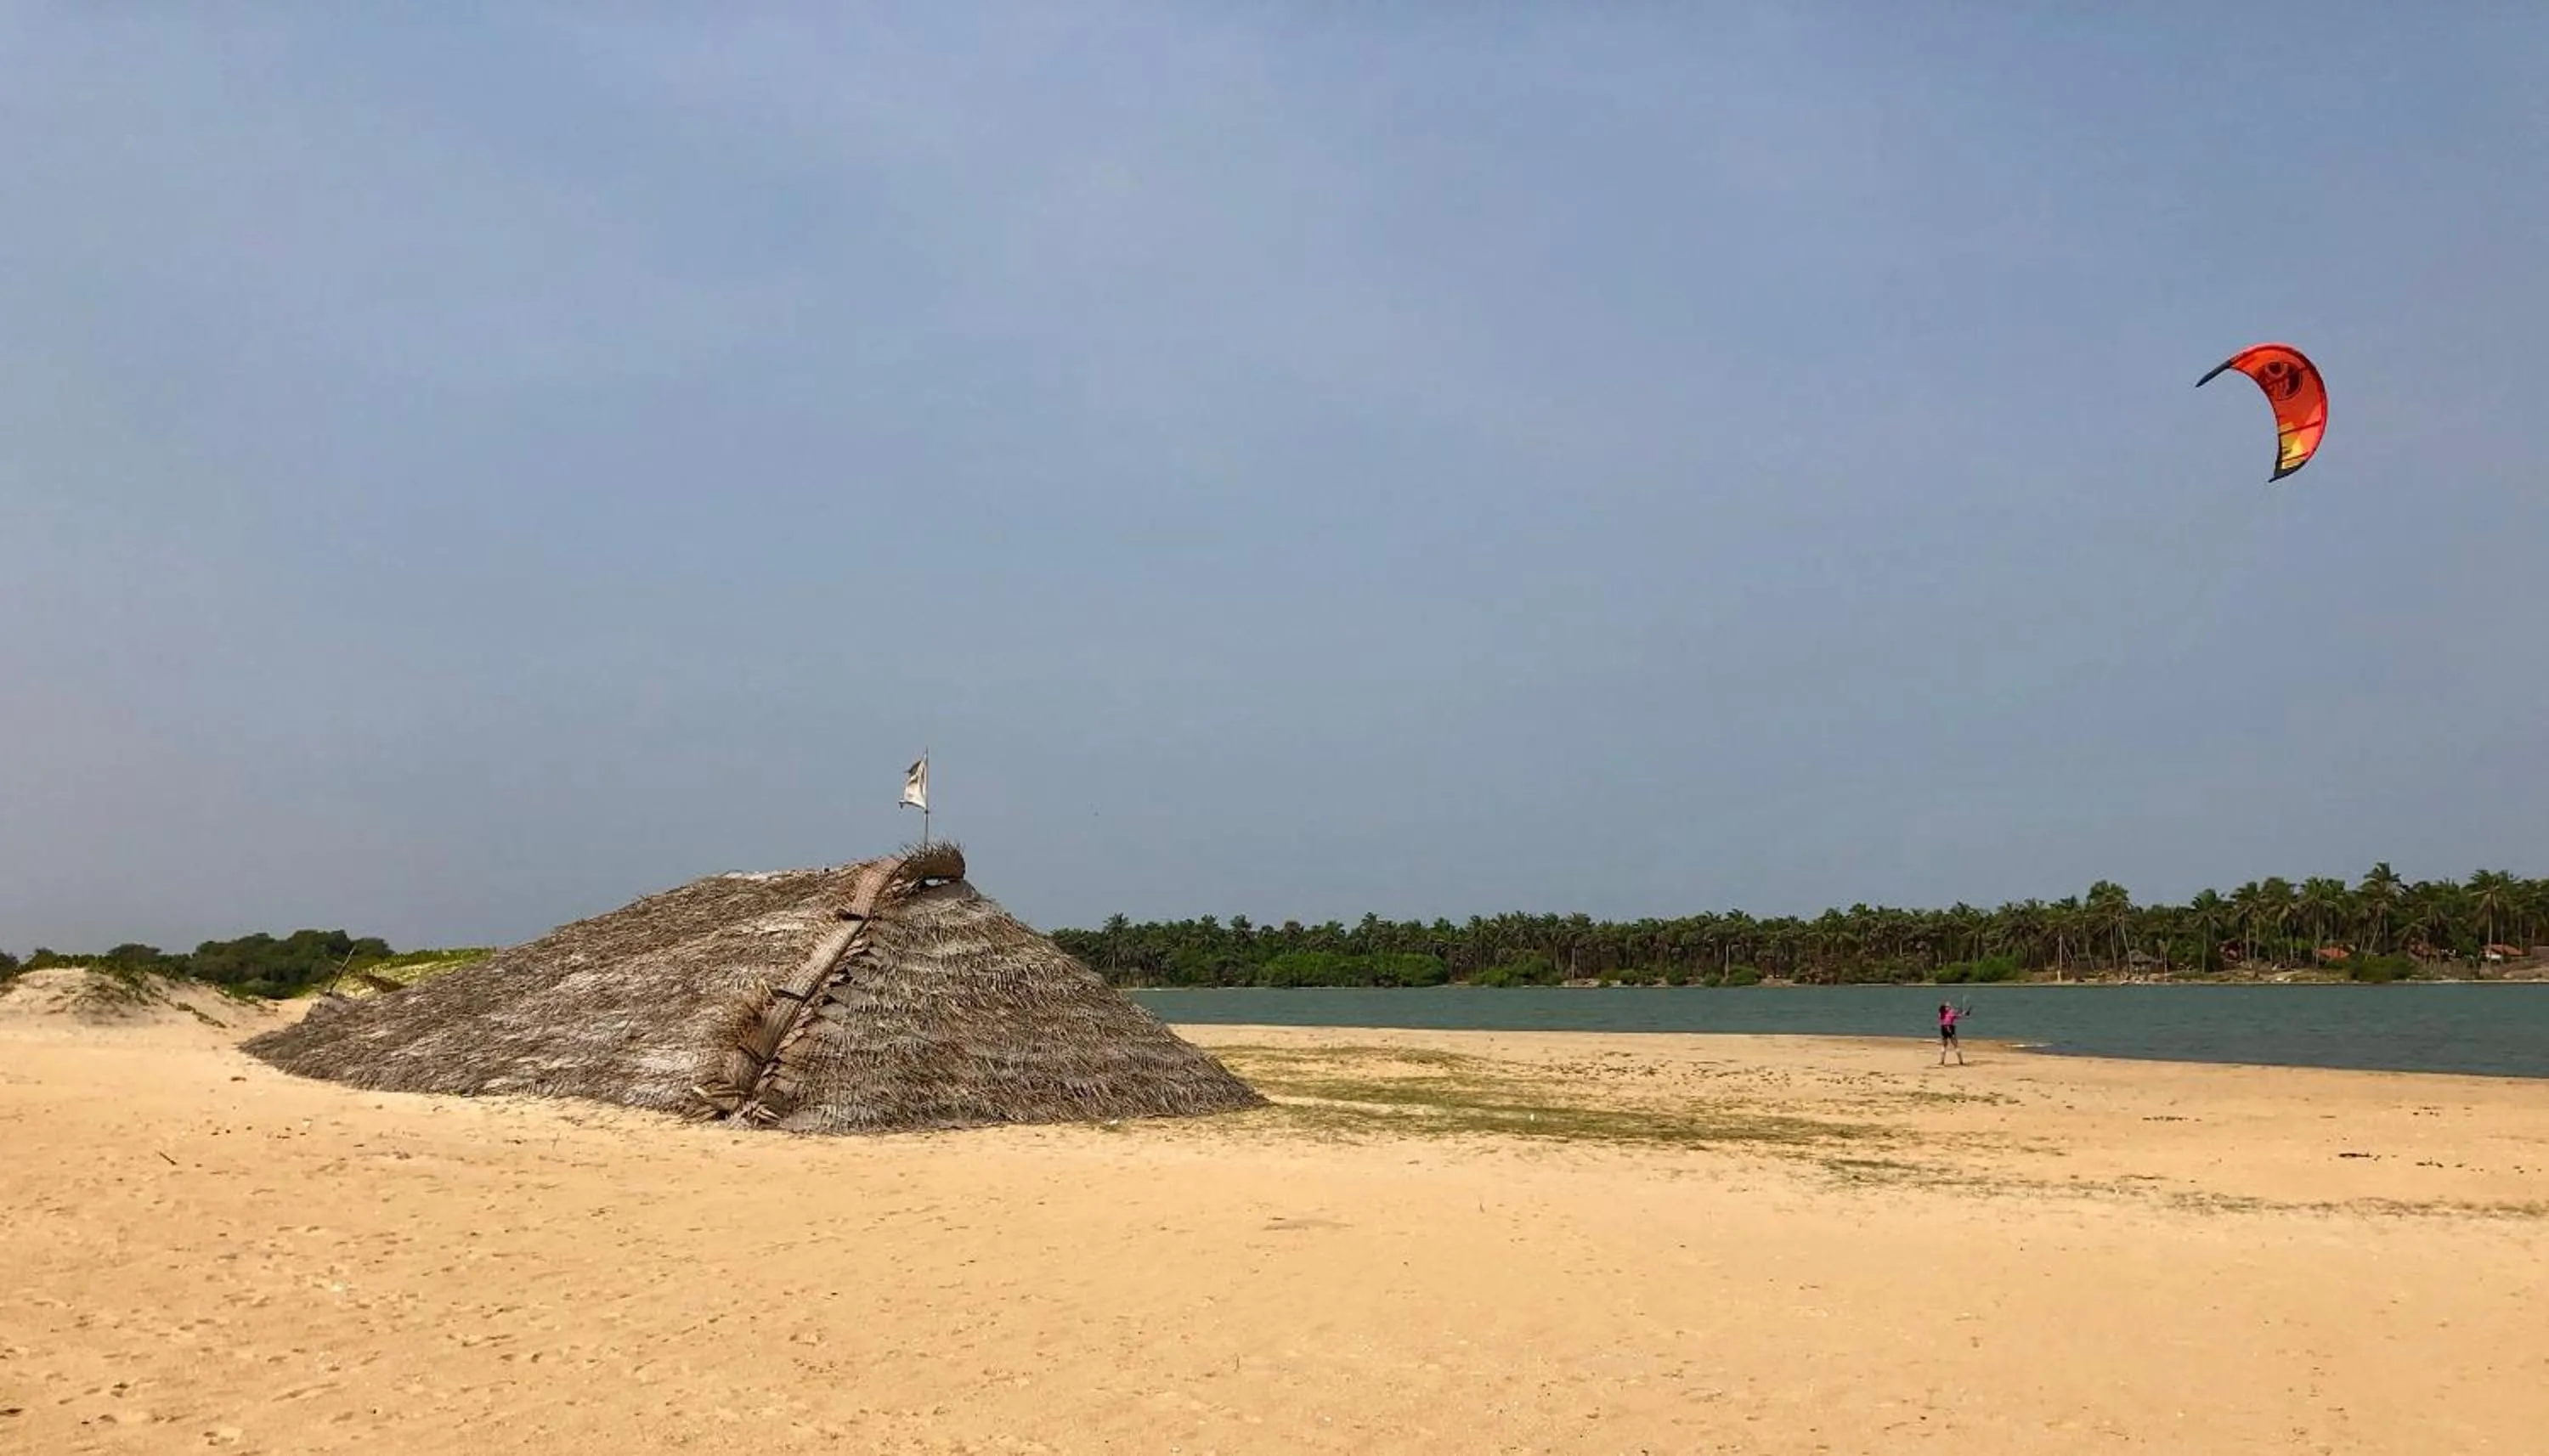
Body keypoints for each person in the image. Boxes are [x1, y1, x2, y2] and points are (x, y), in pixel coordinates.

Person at [1936, 1001, 1966, 1065]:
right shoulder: (1951, 1013)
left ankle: (1942, 1061)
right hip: (1950, 1028)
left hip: (1943, 1028)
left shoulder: (1941, 1013)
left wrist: (1959, 1012)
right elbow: (1958, 1016)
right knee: (1956, 1046)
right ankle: (1961, 1061)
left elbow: (1953, 1014)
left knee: (1944, 1046)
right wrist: (1963, 1013)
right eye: (1949, 1006)